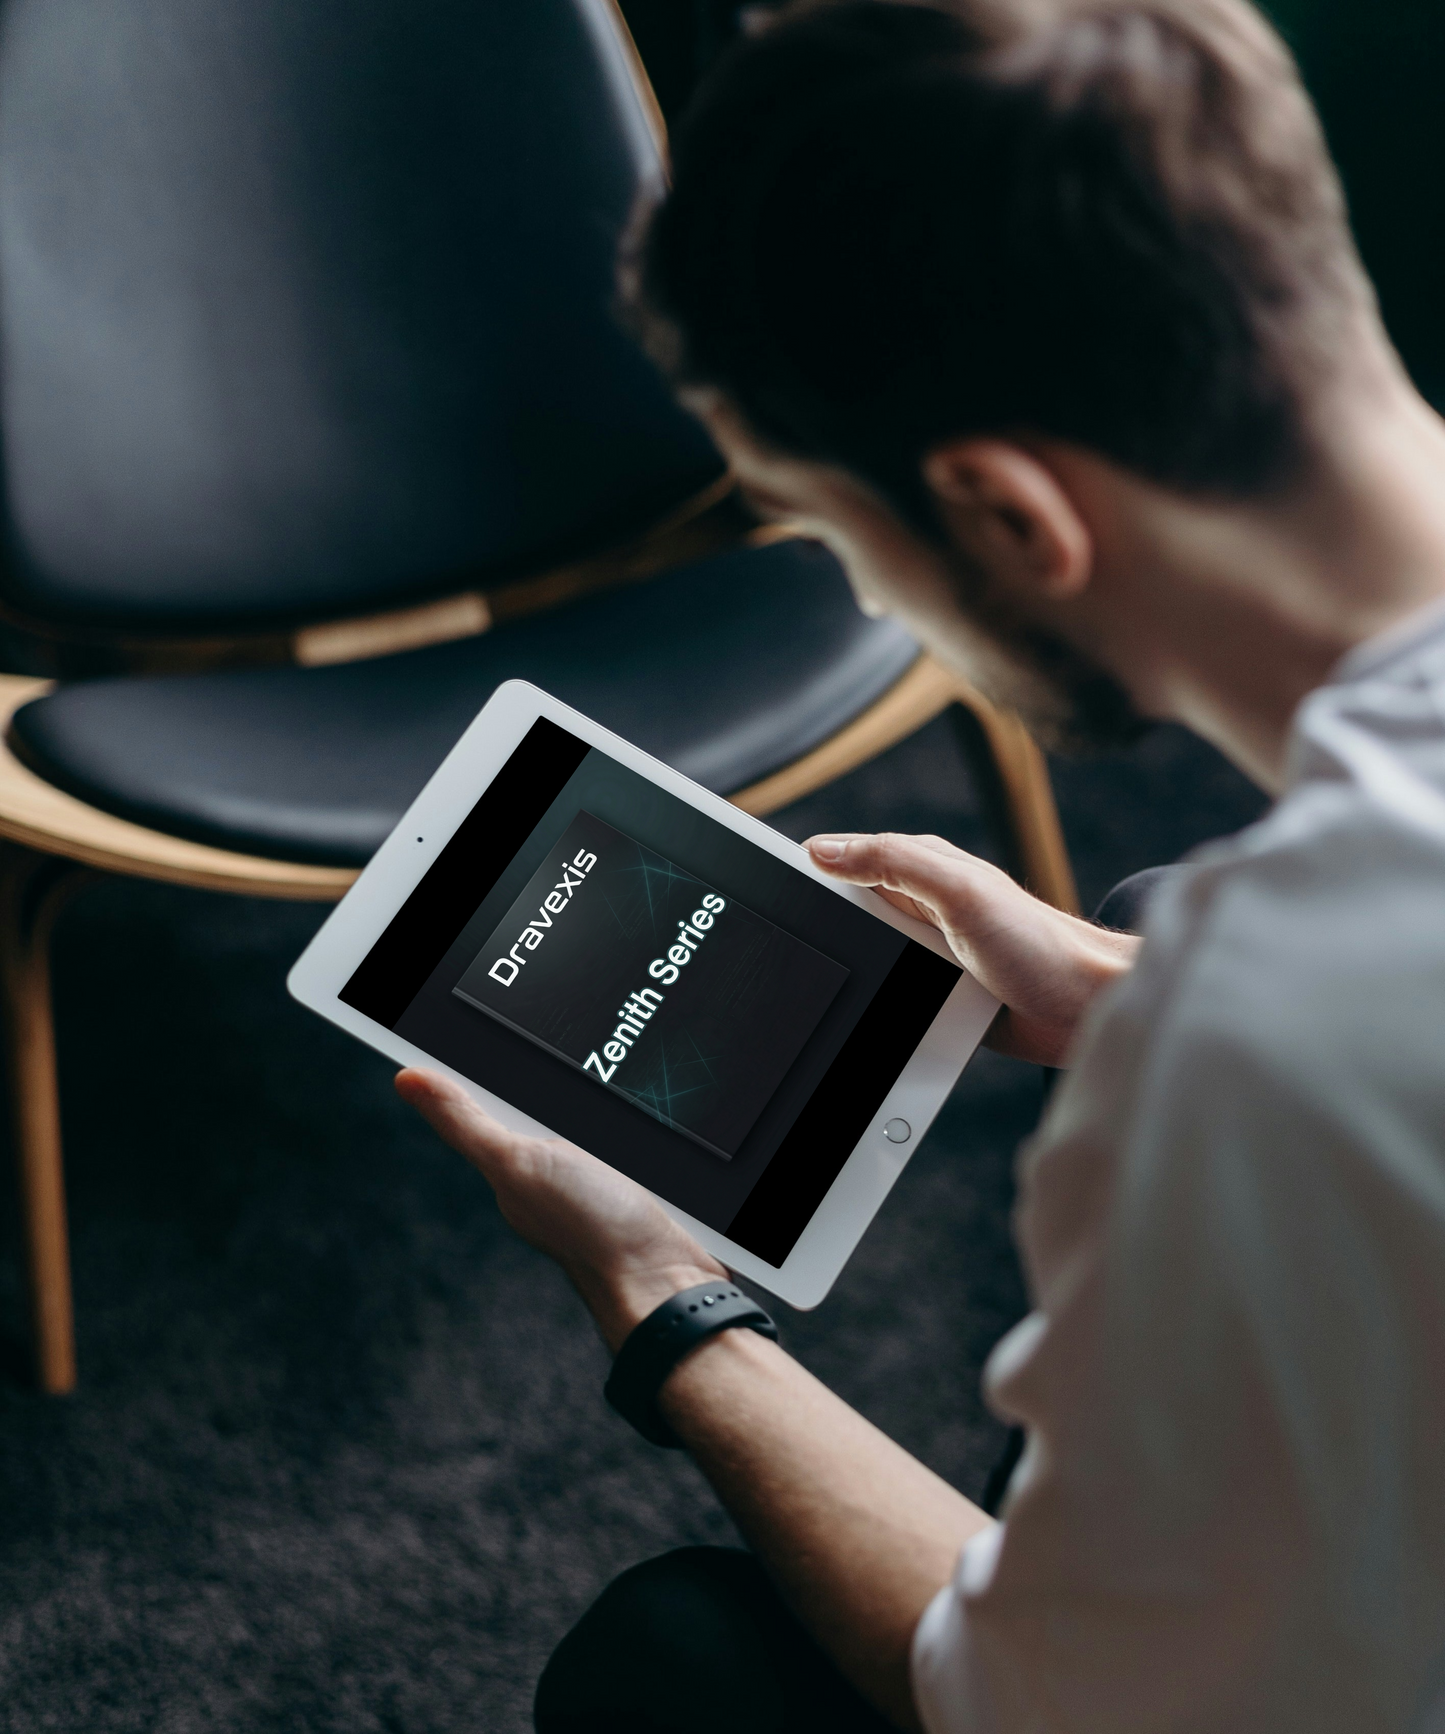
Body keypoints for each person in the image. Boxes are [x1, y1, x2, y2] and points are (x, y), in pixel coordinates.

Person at [397, 0, 1445, 1727]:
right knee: (1144, 923)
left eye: (840, 535)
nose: (876, 602)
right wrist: (1128, 996)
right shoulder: (1270, 999)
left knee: (673, 1666)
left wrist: (661, 1300)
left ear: (1009, 514)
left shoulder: (1255, 1057)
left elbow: (1015, 1703)